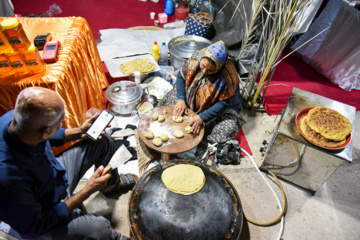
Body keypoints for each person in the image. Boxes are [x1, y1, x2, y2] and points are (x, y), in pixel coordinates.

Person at [0, 87, 135, 240]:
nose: (63, 123)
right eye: (60, 121)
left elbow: (46, 136)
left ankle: (111, 185)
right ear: (46, 131)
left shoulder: (19, 119)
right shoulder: (9, 178)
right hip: (41, 214)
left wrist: (79, 132)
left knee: (101, 142)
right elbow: (35, 226)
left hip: (53, 174)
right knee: (100, 228)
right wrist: (87, 190)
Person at [160, 40, 245, 143]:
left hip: (217, 108)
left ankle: (203, 135)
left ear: (218, 67)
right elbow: (181, 77)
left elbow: (224, 103)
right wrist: (181, 100)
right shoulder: (196, 58)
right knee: (169, 103)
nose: (204, 71)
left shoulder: (228, 77)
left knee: (225, 128)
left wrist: (202, 117)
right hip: (190, 95)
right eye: (203, 66)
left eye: (210, 70)